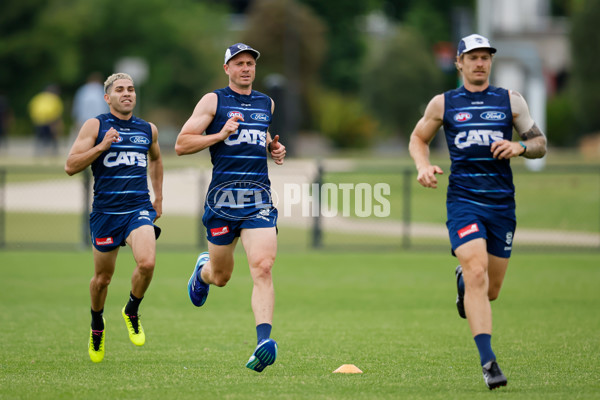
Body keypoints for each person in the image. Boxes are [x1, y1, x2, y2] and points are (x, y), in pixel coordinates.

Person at [408, 34, 547, 390]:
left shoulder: (510, 100)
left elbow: (539, 144)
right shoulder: (444, 103)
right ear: (459, 63)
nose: (480, 63)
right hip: (463, 201)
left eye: (485, 57)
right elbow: (418, 138)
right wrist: (423, 166)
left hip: (501, 205)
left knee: (491, 289)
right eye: (473, 57)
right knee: (476, 270)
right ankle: (489, 362)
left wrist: (519, 147)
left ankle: (462, 282)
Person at [175, 43, 286, 373]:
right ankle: (203, 272)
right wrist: (219, 134)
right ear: (227, 68)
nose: (246, 68)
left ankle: (263, 341)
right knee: (221, 277)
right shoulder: (214, 101)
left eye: (250, 63)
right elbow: (182, 144)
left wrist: (273, 148)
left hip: (258, 201)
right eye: (239, 63)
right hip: (222, 202)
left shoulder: (266, 102)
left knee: (263, 267)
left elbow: (258, 133)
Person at [64, 73, 164, 363]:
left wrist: (159, 197)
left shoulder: (148, 129)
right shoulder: (96, 125)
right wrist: (100, 147)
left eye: (131, 89)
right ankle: (97, 324)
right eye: (120, 90)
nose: (127, 94)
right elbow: (70, 165)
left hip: (138, 209)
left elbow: (156, 159)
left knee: (147, 263)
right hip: (106, 214)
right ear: (107, 98)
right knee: (102, 280)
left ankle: (131, 309)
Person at [28, 84, 64, 155]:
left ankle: (39, 152)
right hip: (51, 121)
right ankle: (52, 153)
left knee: (40, 137)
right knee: (53, 138)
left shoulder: (38, 98)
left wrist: (35, 118)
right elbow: (57, 111)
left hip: (38, 121)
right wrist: (57, 122)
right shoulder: (54, 98)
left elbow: (32, 107)